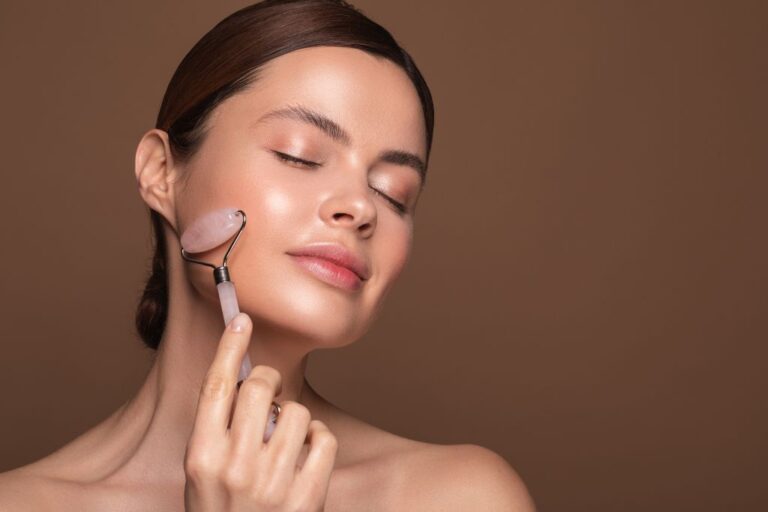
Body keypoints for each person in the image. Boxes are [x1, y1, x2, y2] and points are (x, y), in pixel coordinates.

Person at [0, 0, 535, 510]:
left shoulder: (460, 499)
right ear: (161, 173)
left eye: (394, 193)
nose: (359, 207)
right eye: (297, 155)